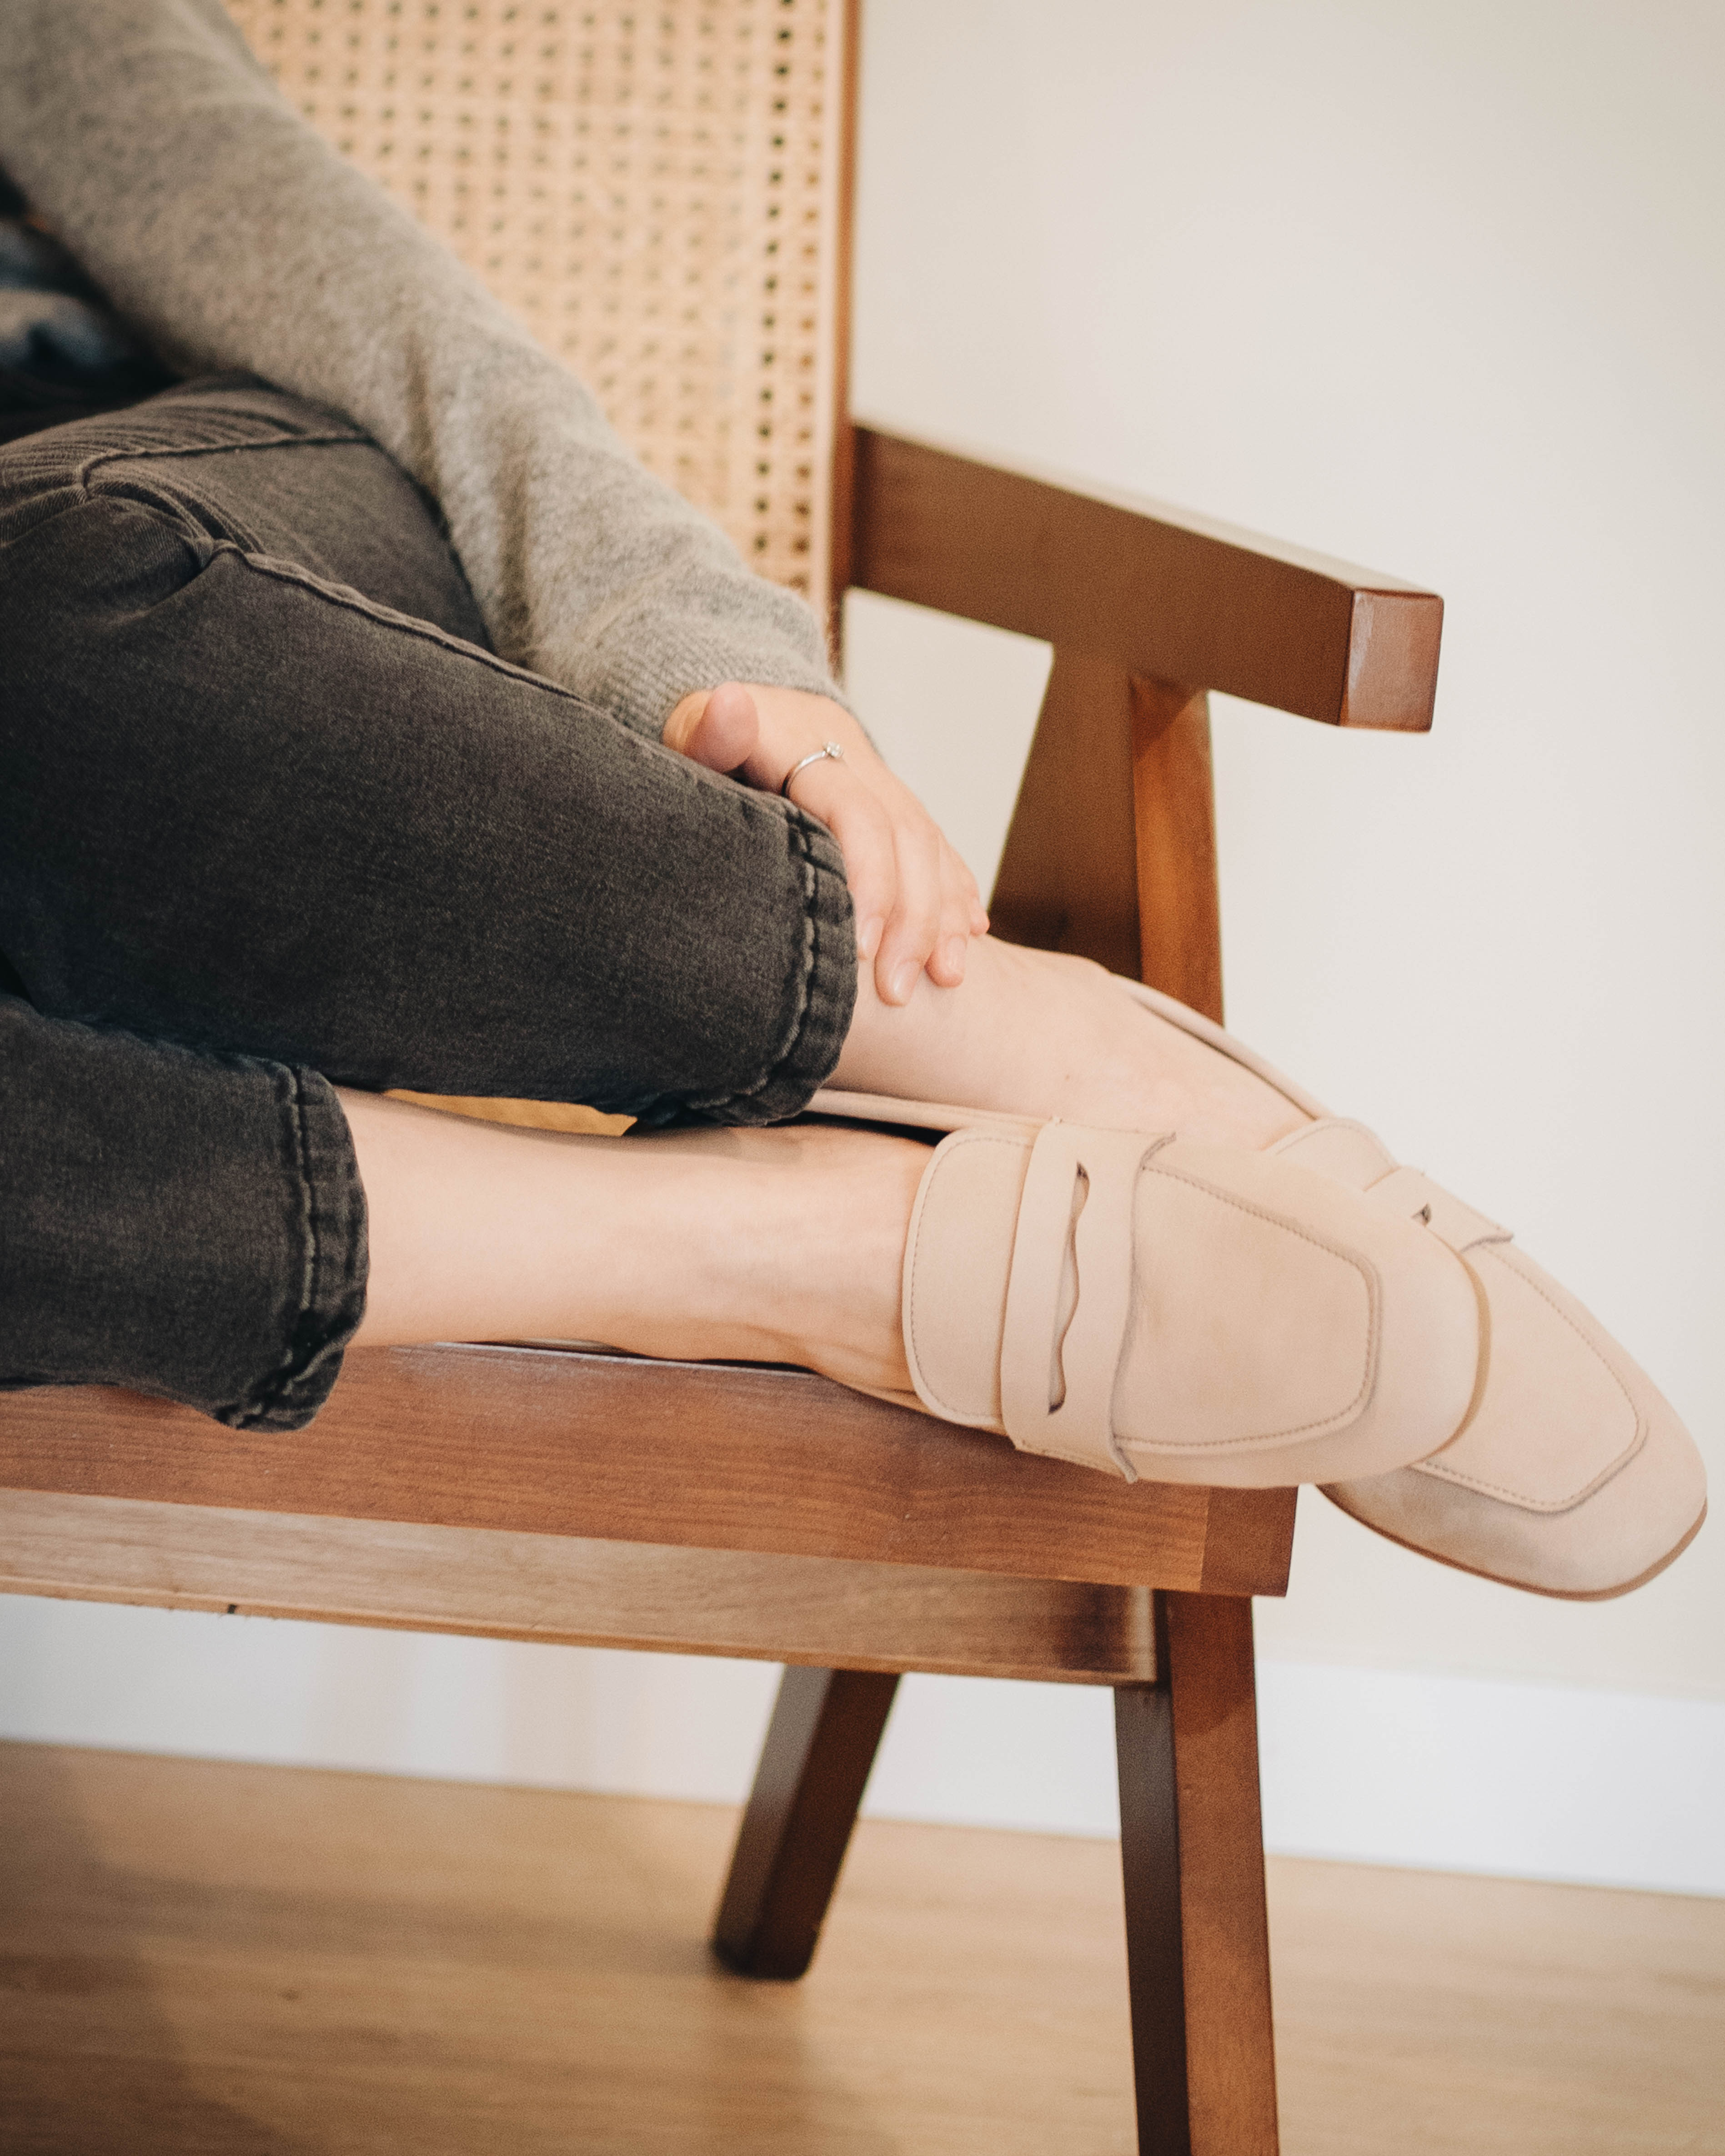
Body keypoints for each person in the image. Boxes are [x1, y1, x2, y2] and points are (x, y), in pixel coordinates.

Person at [0, 0, 1705, 1598]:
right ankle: (778, 1247)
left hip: (175, 636)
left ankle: (953, 1030)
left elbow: (409, 333)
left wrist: (716, 661)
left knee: (39, 617)